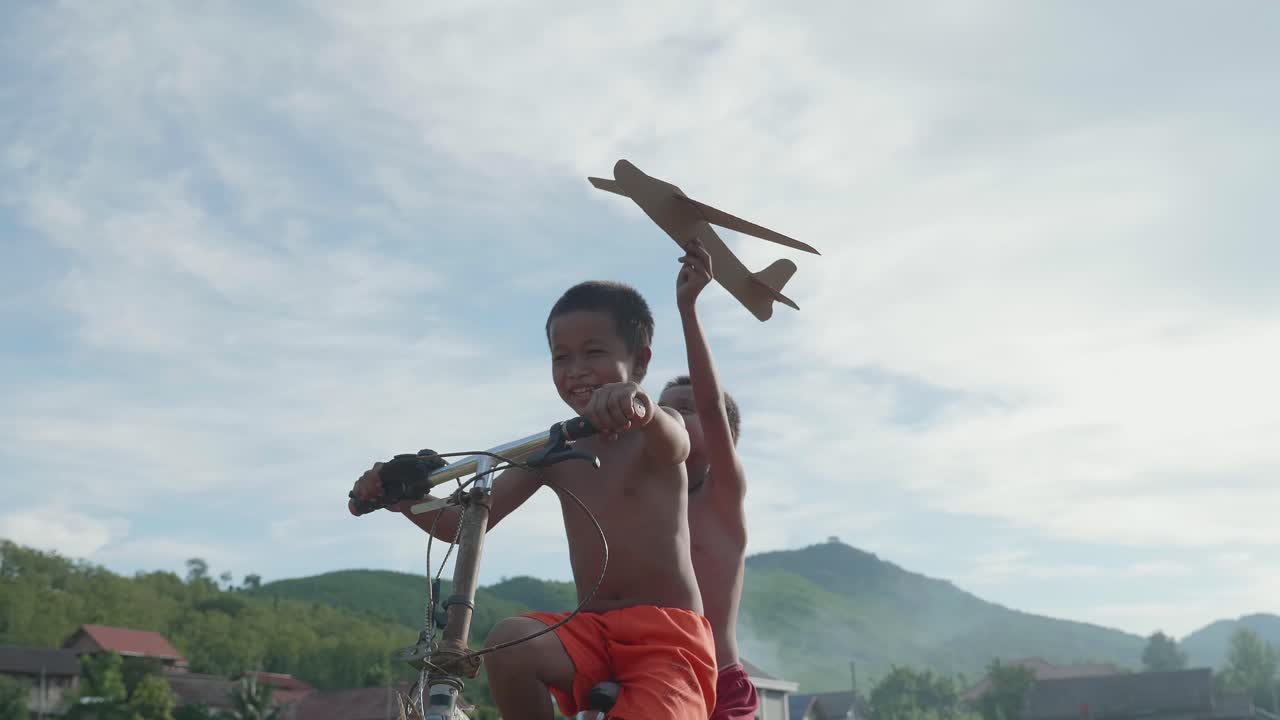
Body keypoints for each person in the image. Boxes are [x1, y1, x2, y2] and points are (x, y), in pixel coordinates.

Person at [349, 280, 717, 720]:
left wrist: (642, 406)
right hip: (590, 632)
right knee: (509, 641)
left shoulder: (657, 429)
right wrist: (403, 499)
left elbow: (678, 446)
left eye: (594, 353)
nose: (575, 369)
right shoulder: (554, 452)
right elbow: (458, 527)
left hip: (667, 636)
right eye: (562, 357)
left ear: (640, 361)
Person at [657, 238, 758, 720]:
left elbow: (714, 407)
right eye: (665, 411)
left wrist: (687, 309)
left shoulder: (723, 495)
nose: (671, 419)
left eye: (685, 410)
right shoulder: (644, 501)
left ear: (729, 439)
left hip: (718, 685)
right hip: (650, 682)